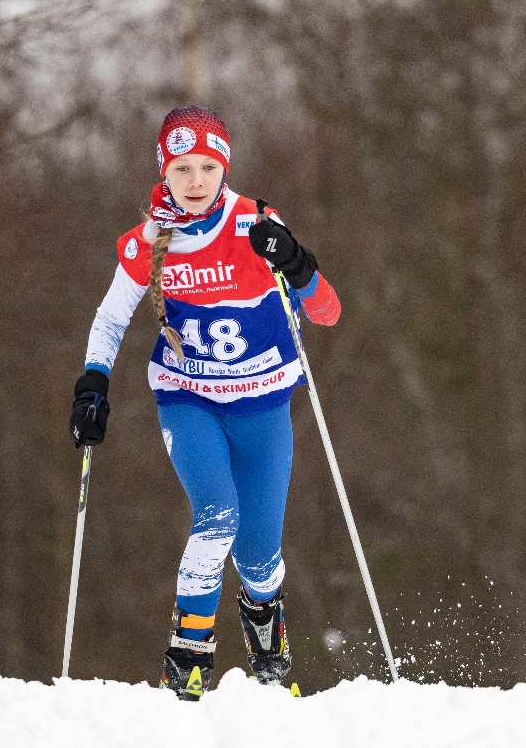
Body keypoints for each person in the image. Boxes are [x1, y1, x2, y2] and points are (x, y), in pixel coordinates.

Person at [69, 105, 340, 700]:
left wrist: (296, 261)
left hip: (264, 406)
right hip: (189, 400)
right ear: (164, 173)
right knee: (217, 514)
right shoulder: (150, 243)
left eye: (208, 168)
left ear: (225, 169)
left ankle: (269, 650)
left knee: (261, 559)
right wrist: (93, 381)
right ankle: (188, 657)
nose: (196, 181)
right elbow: (111, 318)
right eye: (183, 168)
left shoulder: (256, 224)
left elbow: (327, 311)